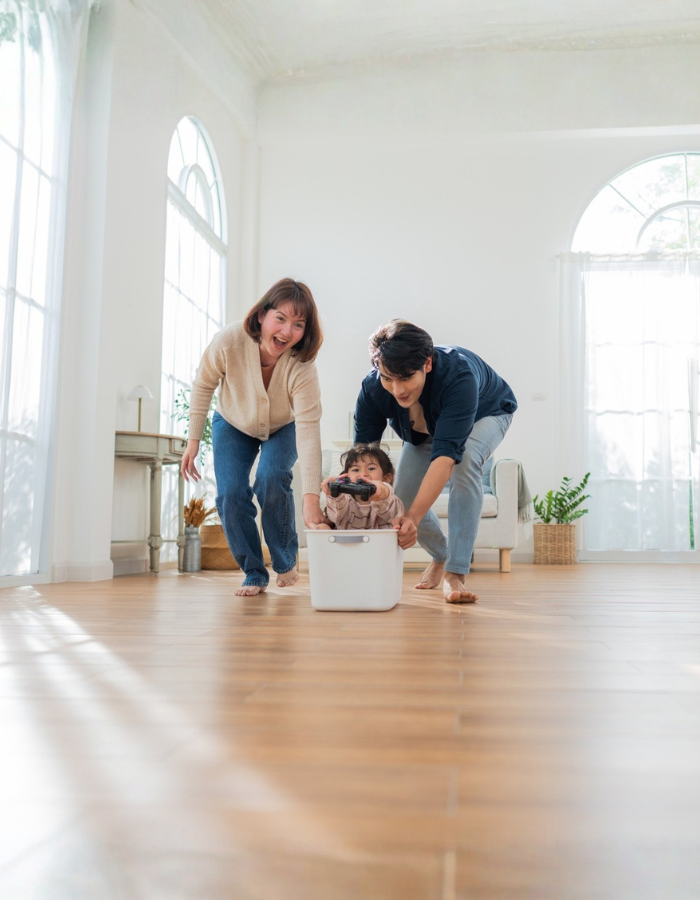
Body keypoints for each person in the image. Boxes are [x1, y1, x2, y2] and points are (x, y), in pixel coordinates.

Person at [181, 278, 327, 597]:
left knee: (271, 476)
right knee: (231, 494)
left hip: (283, 426)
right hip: (232, 422)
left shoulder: (302, 365)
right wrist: (193, 441)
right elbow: (204, 384)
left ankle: (284, 559)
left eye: (298, 324)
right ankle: (254, 570)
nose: (287, 331)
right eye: (281, 318)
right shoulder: (230, 340)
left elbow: (308, 429)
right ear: (262, 315)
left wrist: (311, 498)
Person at [354, 319, 517, 604]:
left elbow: (446, 457)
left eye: (405, 378)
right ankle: (440, 554)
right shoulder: (373, 389)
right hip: (428, 428)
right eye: (387, 378)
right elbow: (363, 455)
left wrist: (414, 519)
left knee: (465, 461)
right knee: (400, 499)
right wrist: (361, 493)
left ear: (427, 364)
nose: (397, 389)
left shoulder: (459, 376)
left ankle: (455, 573)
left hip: (487, 414)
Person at [320, 442, 404, 529]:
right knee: (321, 528)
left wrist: (384, 493)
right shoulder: (344, 501)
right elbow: (335, 514)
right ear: (347, 477)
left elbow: (393, 511)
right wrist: (334, 493)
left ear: (386, 478)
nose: (363, 474)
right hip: (347, 542)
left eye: (371, 468)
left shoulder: (390, 501)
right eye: (356, 470)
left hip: (379, 542)